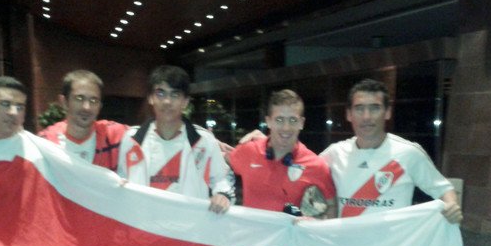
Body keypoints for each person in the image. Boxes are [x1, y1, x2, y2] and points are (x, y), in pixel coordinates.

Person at [319, 78, 462, 223]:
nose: (366, 116)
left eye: (375, 108)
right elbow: (306, 175)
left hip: (393, 245)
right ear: (349, 114)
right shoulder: (334, 154)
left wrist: (451, 206)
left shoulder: (408, 153)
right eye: (359, 108)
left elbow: (444, 190)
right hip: (346, 243)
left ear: (387, 112)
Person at [117, 65, 234, 214]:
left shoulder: (204, 141)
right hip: (144, 231)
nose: (167, 101)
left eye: (174, 95)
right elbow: (121, 180)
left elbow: (222, 179)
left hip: (186, 231)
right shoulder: (131, 140)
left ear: (185, 101)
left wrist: (222, 194)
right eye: (160, 93)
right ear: (151, 98)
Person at [228, 89, 336, 217]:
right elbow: (221, 162)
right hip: (249, 236)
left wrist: (318, 222)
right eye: (279, 120)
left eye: (293, 120)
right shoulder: (248, 151)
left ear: (301, 123)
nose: (286, 127)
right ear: (268, 121)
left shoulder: (315, 165)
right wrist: (222, 193)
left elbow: (332, 206)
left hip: (289, 237)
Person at [38, 70, 127, 171]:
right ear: (64, 102)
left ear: (100, 106)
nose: (87, 107)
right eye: (79, 98)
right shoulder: (46, 143)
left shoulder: (115, 135)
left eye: (93, 100)